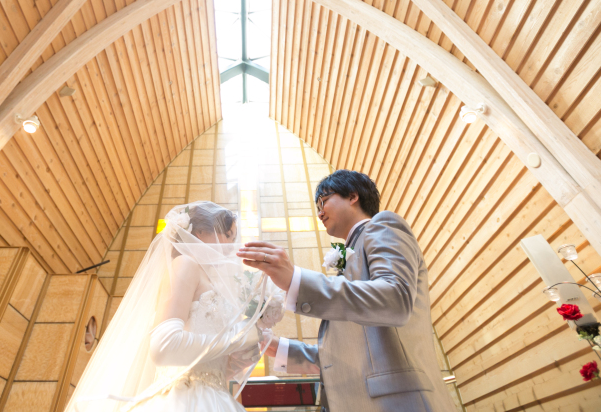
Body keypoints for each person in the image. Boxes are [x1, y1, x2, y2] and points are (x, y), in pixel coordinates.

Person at [237, 170, 454, 412]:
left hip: (396, 402)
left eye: (324, 201)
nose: (319, 212)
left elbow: (395, 298)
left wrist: (296, 279)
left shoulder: (383, 225)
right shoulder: (347, 259)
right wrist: (274, 346)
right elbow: (339, 358)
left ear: (353, 196)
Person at [67, 202, 282, 412]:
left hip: (214, 397)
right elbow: (164, 346)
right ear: (199, 233)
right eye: (227, 235)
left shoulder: (214, 284)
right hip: (183, 397)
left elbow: (212, 368)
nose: (231, 247)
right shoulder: (186, 264)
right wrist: (239, 337)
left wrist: (245, 348)